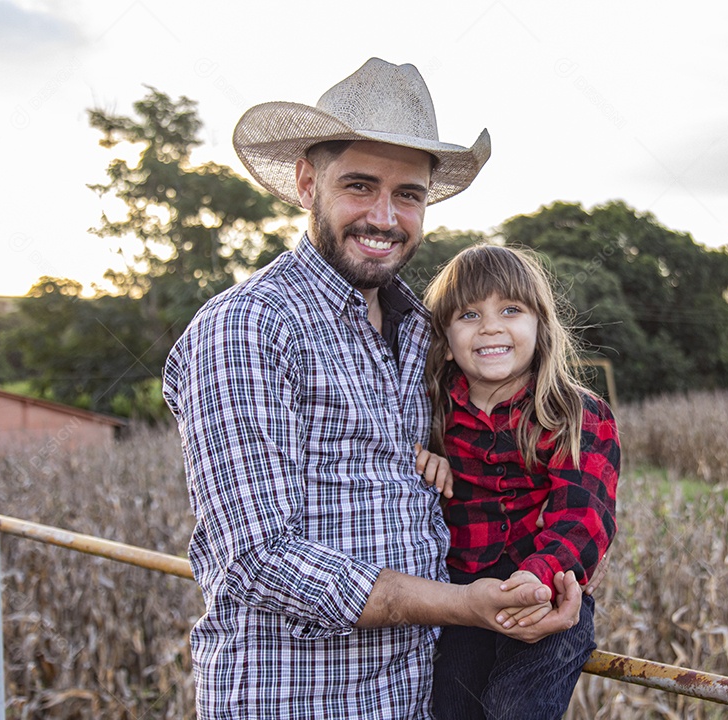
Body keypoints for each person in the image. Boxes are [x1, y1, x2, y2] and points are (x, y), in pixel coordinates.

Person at [162, 58, 583, 720]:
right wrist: (465, 603)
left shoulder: (424, 332)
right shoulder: (248, 327)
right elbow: (254, 558)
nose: (384, 217)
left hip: (414, 697)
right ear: (307, 183)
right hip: (296, 701)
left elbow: (494, 467)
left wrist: (552, 576)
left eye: (408, 194)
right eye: (360, 186)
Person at [418, 244, 621, 720]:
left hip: (547, 595)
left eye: (511, 310)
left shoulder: (575, 414)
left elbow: (585, 516)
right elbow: (375, 457)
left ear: (539, 327)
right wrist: (420, 457)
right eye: (469, 314)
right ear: (446, 340)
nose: (491, 326)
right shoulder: (431, 411)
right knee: (450, 708)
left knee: (515, 708)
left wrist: (537, 580)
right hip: (462, 596)